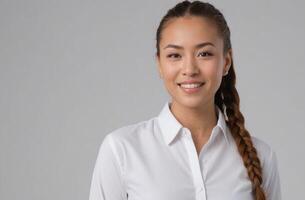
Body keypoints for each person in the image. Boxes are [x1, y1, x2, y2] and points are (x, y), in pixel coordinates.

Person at [89, 1, 282, 200]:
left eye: (204, 54)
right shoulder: (121, 150)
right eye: (174, 55)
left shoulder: (261, 157)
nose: (189, 69)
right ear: (159, 65)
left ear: (226, 62)